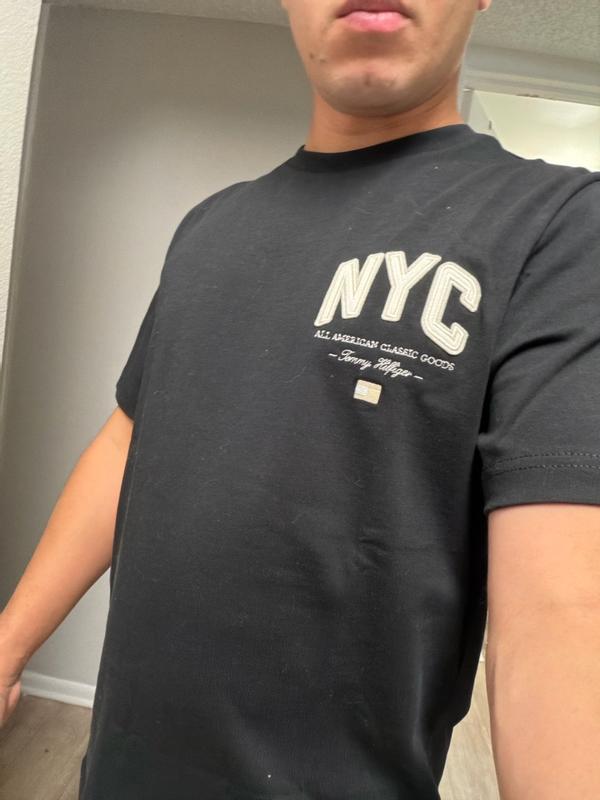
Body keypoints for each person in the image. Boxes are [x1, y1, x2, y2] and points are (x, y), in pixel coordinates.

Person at [1, 1, 599, 797]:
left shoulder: (561, 226)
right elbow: (128, 438)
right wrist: (8, 645)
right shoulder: (209, 226)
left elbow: (562, 611)